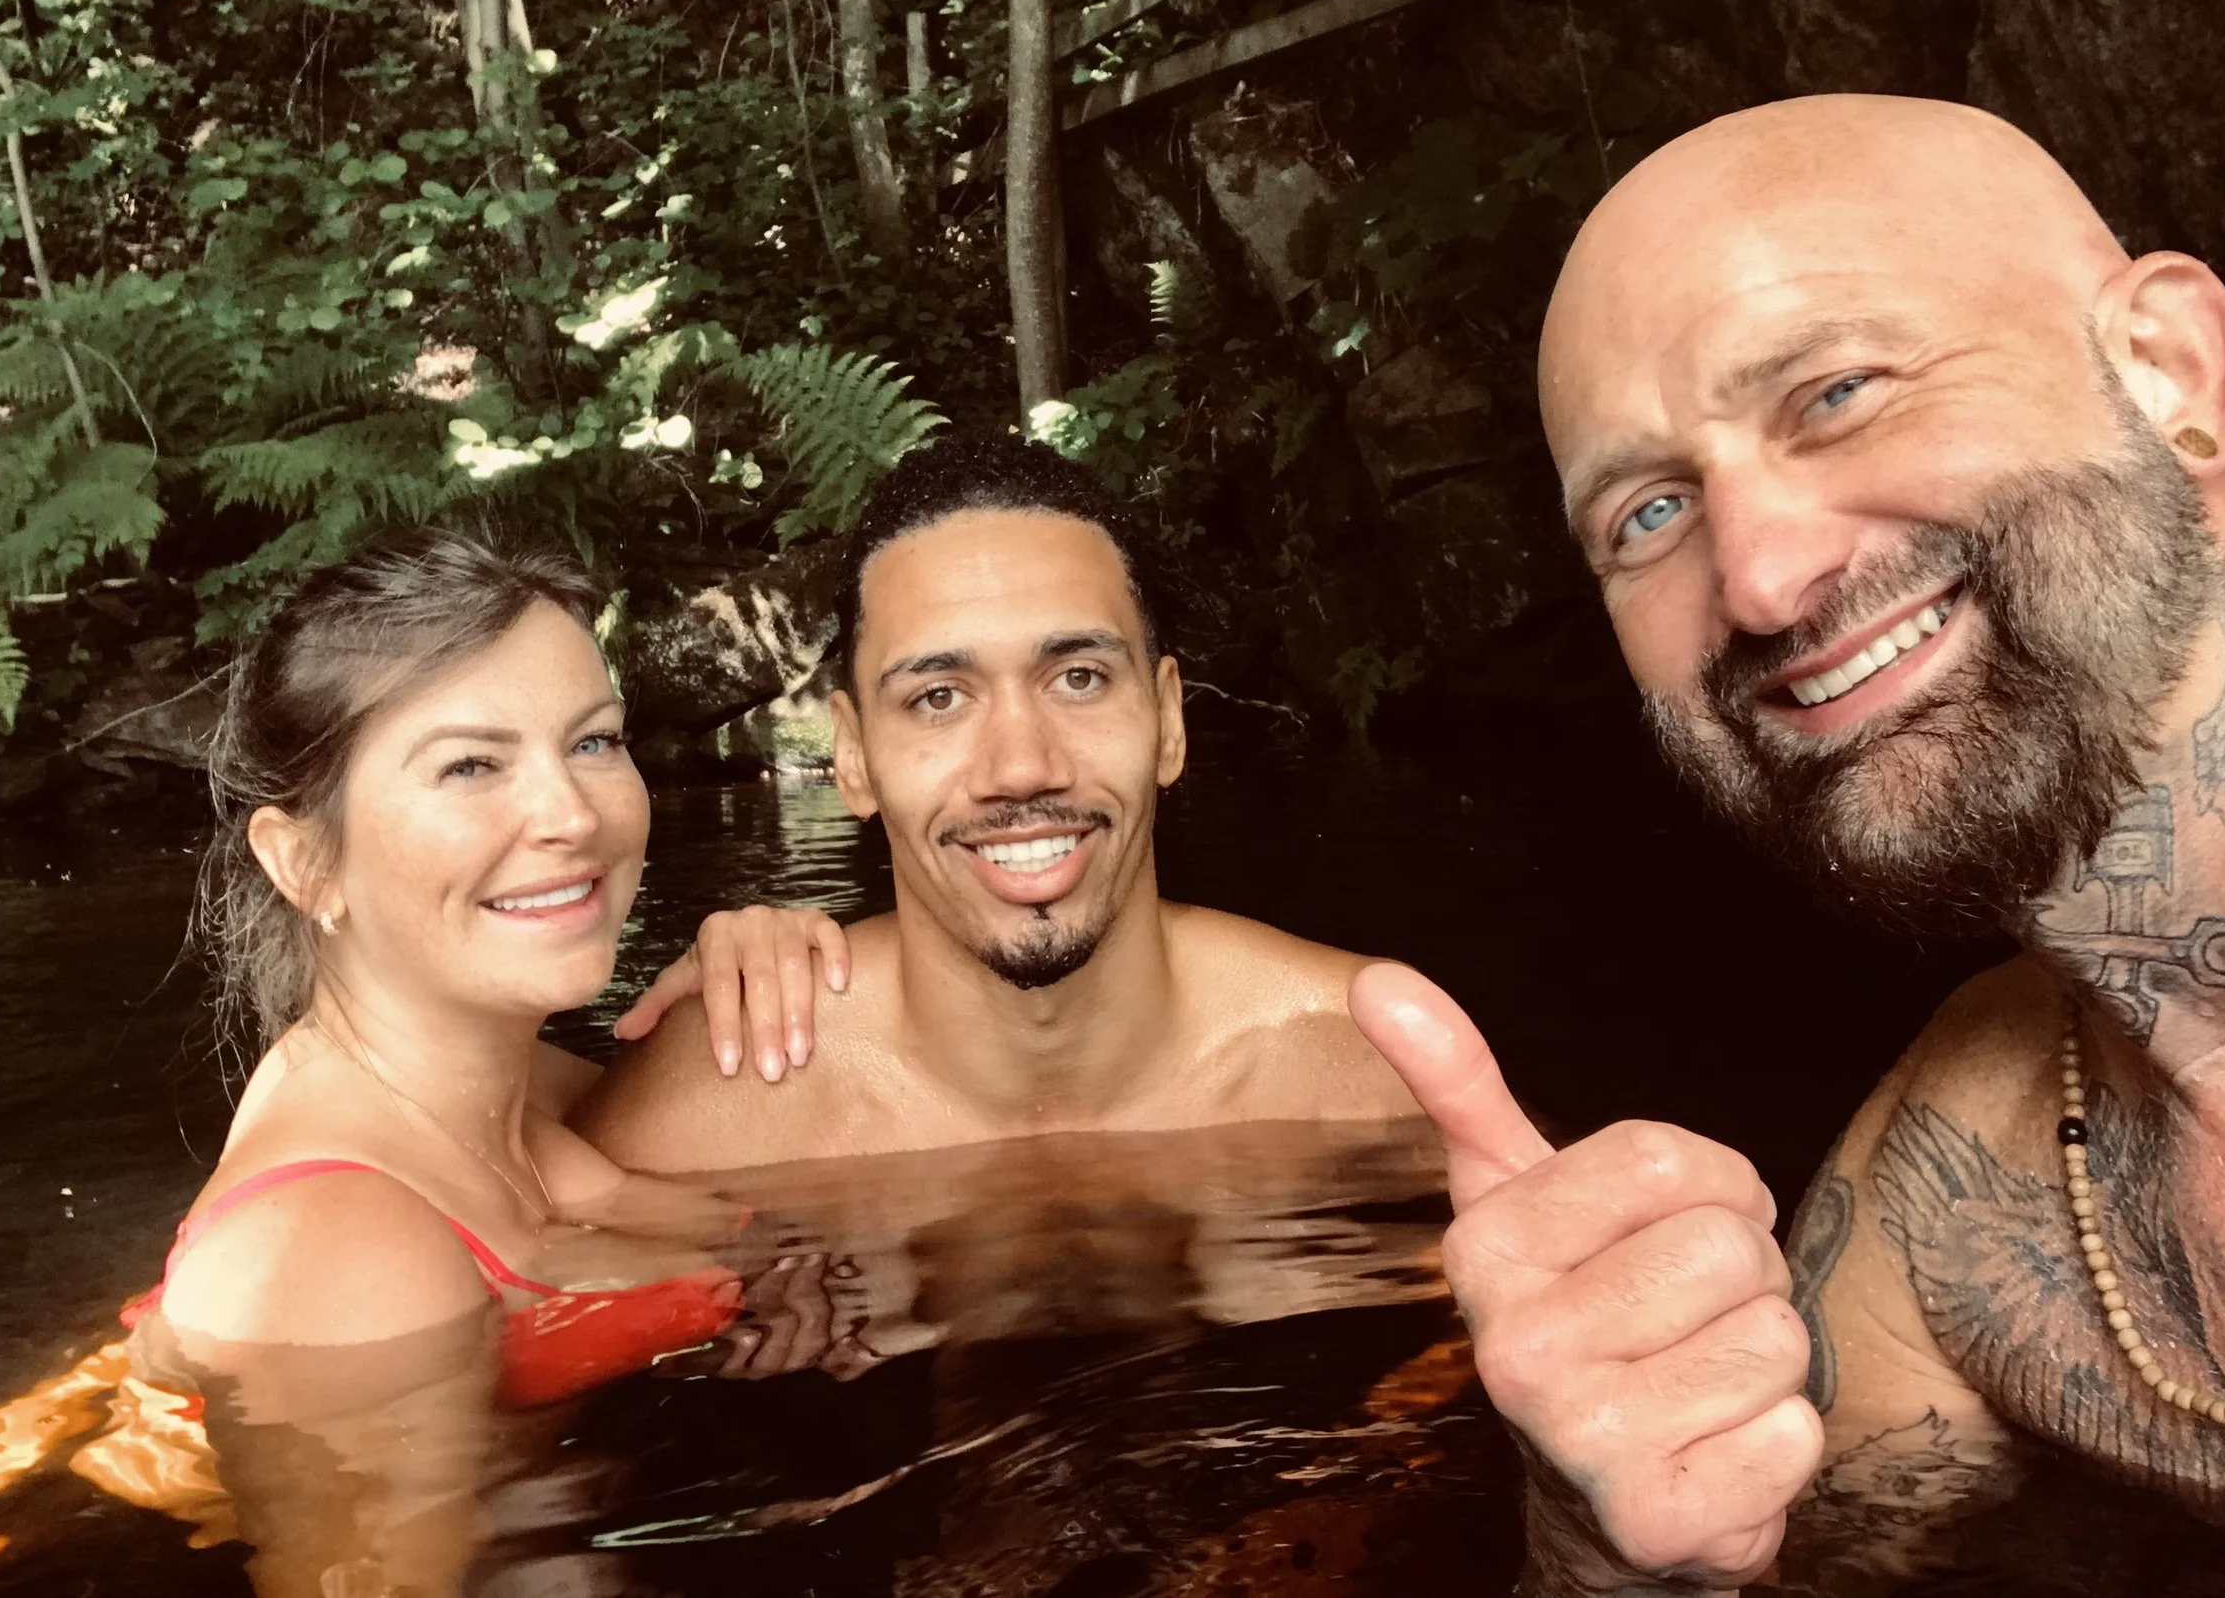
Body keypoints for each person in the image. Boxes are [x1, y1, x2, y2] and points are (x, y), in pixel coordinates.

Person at [1352, 95, 2225, 1593]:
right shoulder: (1949, 1202)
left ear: (2171, 374)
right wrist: (1608, 1550)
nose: (1766, 577)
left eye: (1839, 391)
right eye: (1649, 512)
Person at [128, 526, 842, 1596]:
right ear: (305, 861)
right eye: (470, 765)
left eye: (595, 742)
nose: (570, 814)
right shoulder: (336, 1248)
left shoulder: (528, 1089)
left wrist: (768, 967)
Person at [572, 436, 1423, 1172]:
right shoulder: (697, 1119)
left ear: (1168, 720)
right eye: (938, 697)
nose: (1021, 768)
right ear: (855, 757)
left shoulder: (1377, 1061)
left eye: (1079, 678)